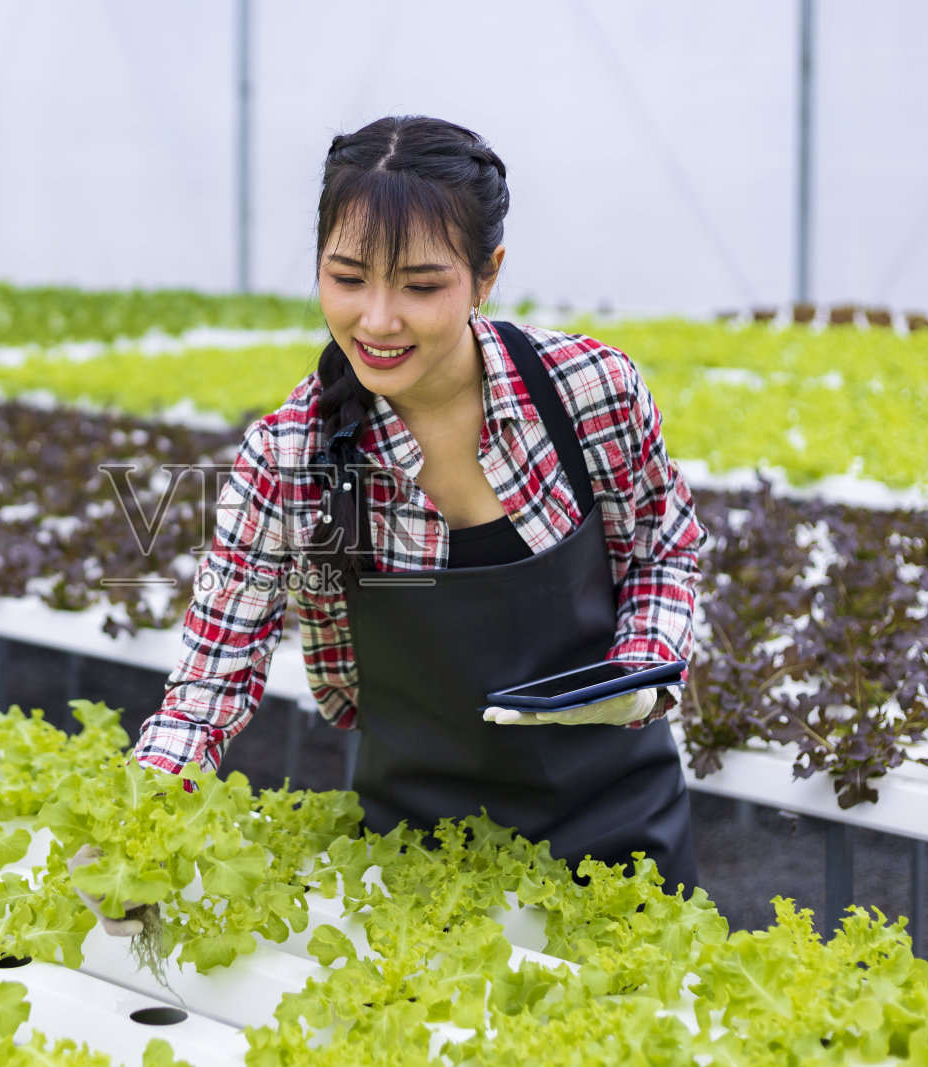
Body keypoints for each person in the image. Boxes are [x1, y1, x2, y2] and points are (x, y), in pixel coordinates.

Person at [128, 114, 706, 906]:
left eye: (421, 285)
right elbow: (208, 683)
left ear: (487, 273)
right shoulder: (293, 458)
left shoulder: (585, 390)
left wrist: (642, 669)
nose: (377, 319)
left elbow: (662, 547)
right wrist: (137, 826)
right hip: (418, 857)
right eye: (348, 277)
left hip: (620, 827)